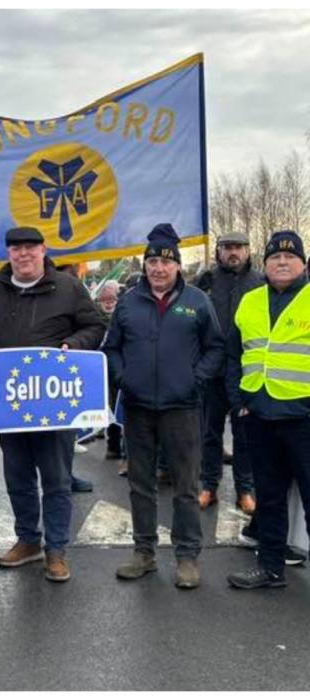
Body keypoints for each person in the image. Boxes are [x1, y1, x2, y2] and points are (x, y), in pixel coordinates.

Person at [0, 226, 105, 582]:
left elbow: (95, 326)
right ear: (8, 254)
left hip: (55, 404)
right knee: (17, 476)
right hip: (10, 405)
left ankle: (56, 550)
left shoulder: (67, 287)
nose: (24, 255)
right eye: (16, 249)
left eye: (30, 248)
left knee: (56, 479)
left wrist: (73, 345)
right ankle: (28, 540)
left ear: (43, 250)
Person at [103, 224, 224, 589]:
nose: (158, 268)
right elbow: (112, 348)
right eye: (152, 261)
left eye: (165, 262)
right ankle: (144, 552)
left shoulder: (197, 302)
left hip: (183, 408)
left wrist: (195, 379)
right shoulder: (128, 302)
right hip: (138, 409)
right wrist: (124, 378)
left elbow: (216, 348)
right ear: (145, 265)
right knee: (141, 484)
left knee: (186, 486)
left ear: (177, 265)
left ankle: (187, 556)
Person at [226, 231, 310, 589]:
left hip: (303, 419)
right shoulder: (250, 301)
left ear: (303, 263)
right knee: (270, 498)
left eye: (290, 257)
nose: (282, 262)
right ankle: (271, 567)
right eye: (275, 256)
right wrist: (239, 401)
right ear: (265, 264)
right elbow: (234, 356)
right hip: (259, 416)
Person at [193, 231, 262, 514]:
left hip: (247, 370)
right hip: (212, 371)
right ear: (218, 252)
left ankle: (245, 489)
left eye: (238, 247)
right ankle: (209, 485)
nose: (233, 253)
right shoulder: (206, 282)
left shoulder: (260, 282)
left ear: (247, 251)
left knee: (244, 434)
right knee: (210, 433)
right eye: (227, 248)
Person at [95, 280, 125, 462]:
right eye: (104, 299)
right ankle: (112, 444)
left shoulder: (124, 316)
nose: (108, 302)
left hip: (118, 368)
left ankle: (118, 446)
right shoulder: (92, 319)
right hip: (99, 369)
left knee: (119, 405)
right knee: (107, 405)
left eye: (112, 298)